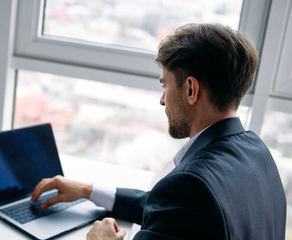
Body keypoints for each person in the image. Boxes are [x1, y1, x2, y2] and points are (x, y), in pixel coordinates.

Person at [31, 23, 287, 239]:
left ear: (190, 89)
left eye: (165, 85)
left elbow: (180, 202)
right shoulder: (258, 153)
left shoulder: (191, 186)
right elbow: (171, 210)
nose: (162, 99)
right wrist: (88, 191)